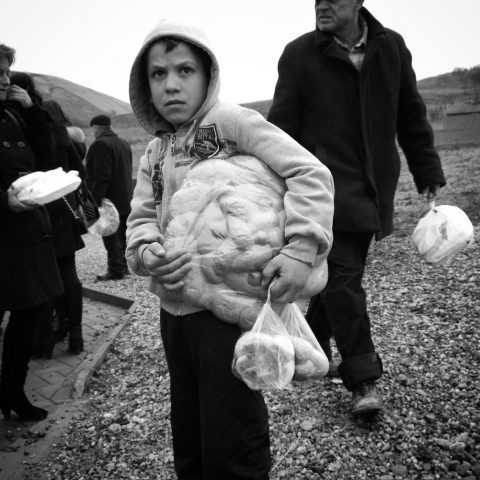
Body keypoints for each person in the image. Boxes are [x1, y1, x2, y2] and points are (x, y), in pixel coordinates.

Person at [126, 19, 334, 480]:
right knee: (190, 427)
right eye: (158, 74)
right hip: (174, 313)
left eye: (184, 70)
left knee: (232, 431)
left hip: (229, 312)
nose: (171, 85)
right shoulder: (154, 153)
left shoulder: (233, 123)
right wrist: (147, 256)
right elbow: (140, 220)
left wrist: (301, 251)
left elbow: (311, 175)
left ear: (208, 75)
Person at [267, 0, 446, 417]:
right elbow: (279, 132)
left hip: (373, 192)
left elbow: (411, 115)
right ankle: (362, 377)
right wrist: (274, 191)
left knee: (338, 278)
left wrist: (427, 171)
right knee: (344, 280)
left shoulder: (392, 48)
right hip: (321, 196)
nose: (321, 4)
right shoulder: (299, 54)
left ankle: (309, 345)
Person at [0, 44, 63, 421]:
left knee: (29, 316)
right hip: (3, 233)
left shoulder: (13, 115)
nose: (6, 82)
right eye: (0, 75)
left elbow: (49, 160)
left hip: (26, 235)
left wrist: (32, 112)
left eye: (7, 73)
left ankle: (12, 392)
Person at [9, 73, 87, 357]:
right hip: (62, 207)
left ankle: (43, 342)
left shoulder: (22, 121)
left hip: (37, 208)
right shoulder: (54, 123)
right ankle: (75, 336)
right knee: (68, 274)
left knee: (42, 279)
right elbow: (81, 169)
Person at [85, 114, 133, 281]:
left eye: (93, 129)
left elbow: (101, 176)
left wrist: (93, 201)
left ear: (96, 128)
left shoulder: (100, 144)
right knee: (121, 235)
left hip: (108, 200)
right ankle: (124, 267)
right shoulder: (124, 143)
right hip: (124, 198)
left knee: (110, 234)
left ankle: (116, 270)